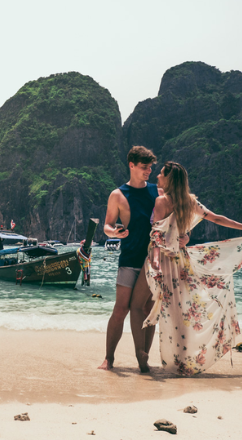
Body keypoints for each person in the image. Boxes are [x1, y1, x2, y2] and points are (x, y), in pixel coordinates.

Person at [130, 161, 242, 375]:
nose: (158, 176)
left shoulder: (162, 201)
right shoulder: (190, 202)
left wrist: (154, 260)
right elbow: (217, 218)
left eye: (162, 173)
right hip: (180, 263)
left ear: (170, 178)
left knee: (137, 305)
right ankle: (183, 362)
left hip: (160, 260)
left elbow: (157, 235)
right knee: (178, 313)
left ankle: (141, 353)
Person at [99, 146, 160, 370]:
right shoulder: (118, 195)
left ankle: (144, 357)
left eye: (151, 167)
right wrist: (114, 233)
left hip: (153, 263)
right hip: (130, 260)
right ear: (131, 165)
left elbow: (172, 220)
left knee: (149, 310)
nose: (149, 171)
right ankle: (109, 358)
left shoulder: (157, 191)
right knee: (121, 309)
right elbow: (106, 225)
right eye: (144, 167)